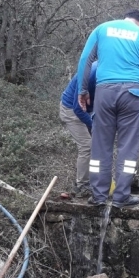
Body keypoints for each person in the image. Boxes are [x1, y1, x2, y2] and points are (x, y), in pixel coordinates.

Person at [76, 9, 139, 208]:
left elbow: (84, 61)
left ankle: (98, 196)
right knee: (128, 147)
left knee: (100, 146)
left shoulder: (102, 29)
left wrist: (82, 90)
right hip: (133, 93)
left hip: (104, 91)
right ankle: (121, 196)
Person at [59, 61, 98, 198]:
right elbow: (78, 109)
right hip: (71, 111)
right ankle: (82, 185)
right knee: (87, 146)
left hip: (87, 110)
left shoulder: (111, 73)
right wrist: (94, 126)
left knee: (98, 144)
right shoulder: (90, 75)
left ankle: (96, 180)